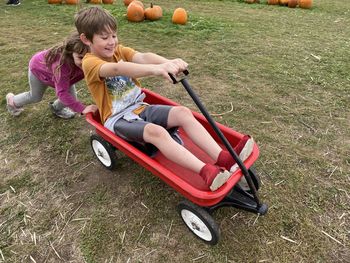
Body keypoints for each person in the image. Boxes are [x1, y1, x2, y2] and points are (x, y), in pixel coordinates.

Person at [74, 6, 254, 191]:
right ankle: (206, 172)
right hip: (117, 118)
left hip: (139, 107)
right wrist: (156, 70)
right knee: (157, 132)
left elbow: (143, 57)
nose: (111, 42)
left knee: (183, 113)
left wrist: (167, 62)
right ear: (86, 39)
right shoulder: (90, 62)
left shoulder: (118, 51)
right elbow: (117, 70)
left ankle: (223, 158)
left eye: (114, 36)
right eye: (104, 38)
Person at [6, 32, 97, 119]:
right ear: (71, 53)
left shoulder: (91, 61)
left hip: (61, 77)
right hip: (39, 71)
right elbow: (62, 93)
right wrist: (82, 109)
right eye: (81, 57)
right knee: (35, 97)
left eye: (90, 57)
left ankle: (56, 108)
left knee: (71, 98)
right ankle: (12, 101)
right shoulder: (62, 67)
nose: (86, 62)